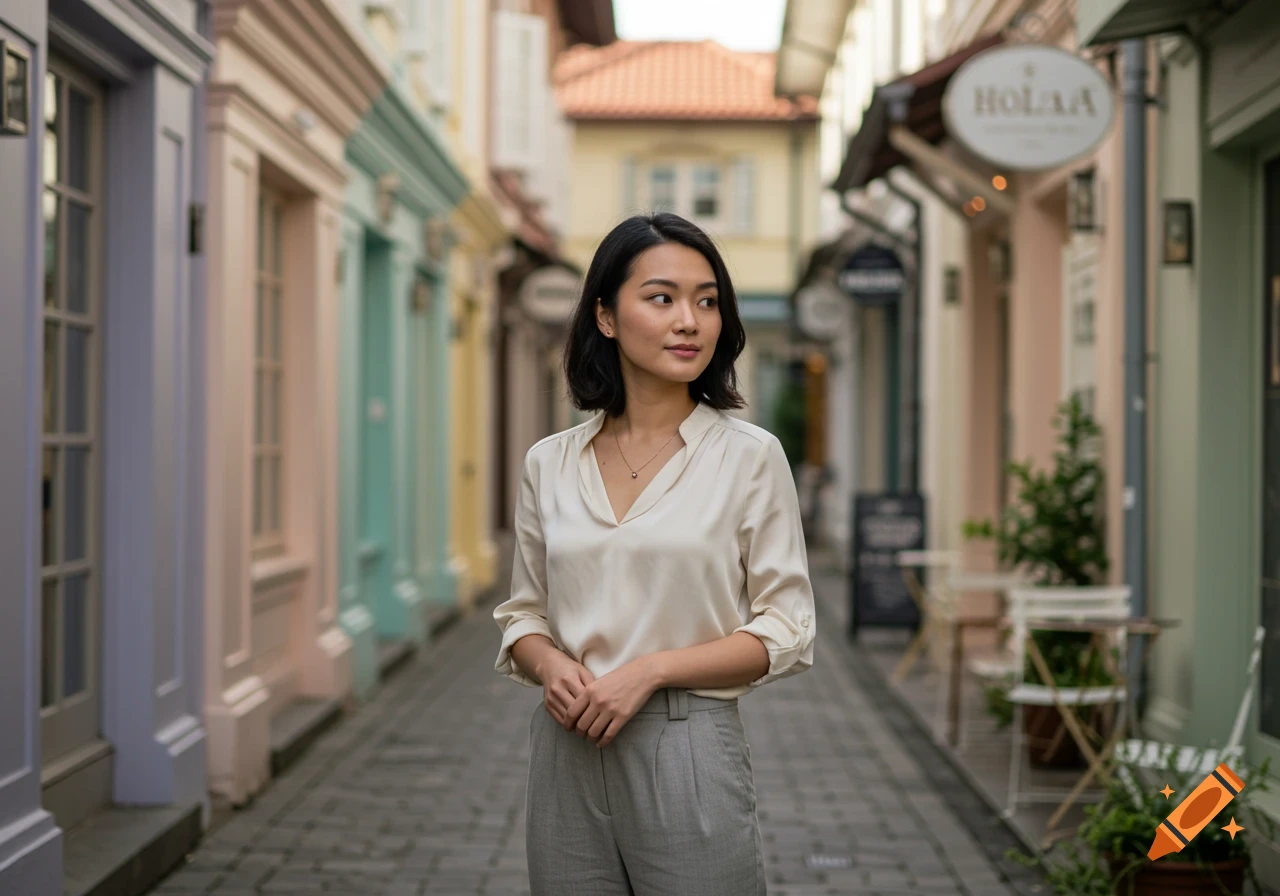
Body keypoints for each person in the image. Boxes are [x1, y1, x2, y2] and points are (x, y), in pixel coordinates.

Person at [492, 212, 816, 896]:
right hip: (566, 746)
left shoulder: (749, 457)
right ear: (606, 316)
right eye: (662, 298)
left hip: (688, 744)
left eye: (707, 302)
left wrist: (652, 671)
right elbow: (523, 614)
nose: (691, 322)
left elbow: (787, 627)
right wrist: (550, 664)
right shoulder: (549, 462)